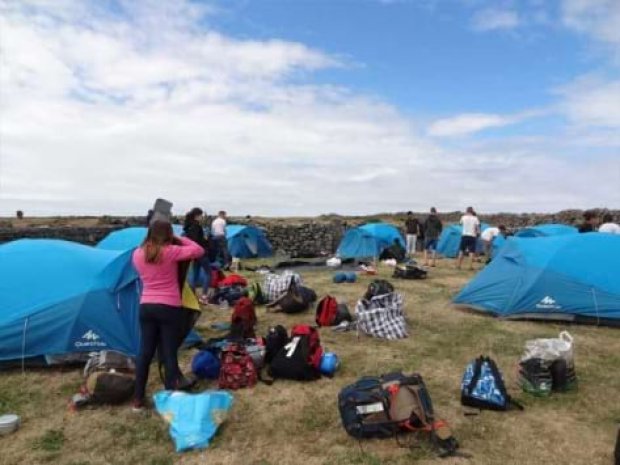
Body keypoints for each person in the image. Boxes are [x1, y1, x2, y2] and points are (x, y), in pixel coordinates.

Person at [131, 221, 203, 411]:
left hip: (146, 306)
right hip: (169, 306)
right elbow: (198, 250)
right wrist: (180, 237)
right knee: (169, 353)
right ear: (168, 234)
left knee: (144, 353)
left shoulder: (137, 254)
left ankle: (138, 399)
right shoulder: (170, 251)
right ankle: (171, 398)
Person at [183, 207, 212, 304]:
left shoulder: (188, 226)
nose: (202, 217)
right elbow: (196, 240)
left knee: (195, 273)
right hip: (200, 252)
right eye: (201, 215)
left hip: (194, 253)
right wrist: (205, 240)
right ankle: (204, 296)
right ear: (197, 215)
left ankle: (192, 295)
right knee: (208, 273)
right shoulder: (196, 226)